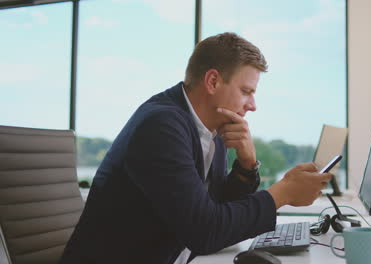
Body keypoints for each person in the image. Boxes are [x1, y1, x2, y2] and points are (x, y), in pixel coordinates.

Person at [60, 32, 331, 264]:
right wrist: (282, 193)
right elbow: (205, 232)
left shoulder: (213, 130)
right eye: (246, 91)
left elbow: (219, 213)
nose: (252, 105)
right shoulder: (161, 125)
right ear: (212, 81)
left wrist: (247, 166)